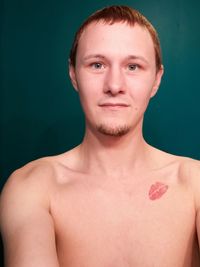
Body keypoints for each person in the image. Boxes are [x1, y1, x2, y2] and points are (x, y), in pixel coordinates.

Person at [0, 5, 200, 267]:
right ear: (73, 74)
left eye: (133, 66)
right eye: (97, 64)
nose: (114, 85)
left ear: (156, 80)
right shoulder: (33, 187)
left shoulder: (194, 183)